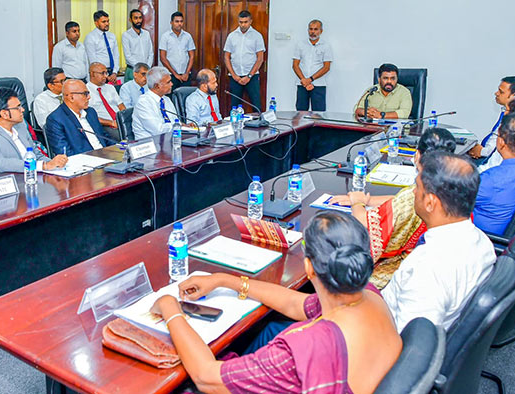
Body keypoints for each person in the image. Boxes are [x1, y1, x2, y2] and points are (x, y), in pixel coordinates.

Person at [151, 210, 402, 393]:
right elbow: (295, 304)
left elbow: (206, 377)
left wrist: (170, 308)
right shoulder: (368, 294)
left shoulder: (306, 347)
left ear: (308, 268)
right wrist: (226, 281)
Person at [328, 127, 457, 288]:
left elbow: (364, 229)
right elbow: (399, 200)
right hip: (425, 264)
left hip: (394, 272)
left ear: (417, 155)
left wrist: (357, 202)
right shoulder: (446, 186)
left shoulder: (418, 193)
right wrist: (368, 200)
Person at [382, 151, 496, 332]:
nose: (413, 191)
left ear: (430, 202)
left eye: (417, 186)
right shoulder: (482, 242)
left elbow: (410, 345)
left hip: (381, 334)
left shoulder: (427, 268)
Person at [473, 113, 515, 235]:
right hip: (504, 228)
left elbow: (454, 200)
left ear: (501, 142)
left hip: (481, 234)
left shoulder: (492, 179)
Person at [0, 88, 67, 175]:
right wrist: (43, 166)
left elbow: (37, 154)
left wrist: (54, 164)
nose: (22, 110)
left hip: (34, 177)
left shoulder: (21, 125)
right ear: (5, 114)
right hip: (8, 183)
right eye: (17, 107)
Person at [467, 76, 515, 160]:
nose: (496, 93)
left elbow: (497, 151)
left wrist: (480, 151)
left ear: (514, 96)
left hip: (487, 161)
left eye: (501, 92)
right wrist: (478, 147)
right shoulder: (506, 111)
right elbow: (494, 137)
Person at [45, 79, 109, 156]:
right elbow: (65, 153)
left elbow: (104, 137)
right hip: (86, 163)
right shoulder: (55, 119)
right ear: (71, 97)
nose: (89, 97)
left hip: (106, 156)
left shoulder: (91, 112)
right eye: (85, 94)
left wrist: (120, 148)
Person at [223, 10, 265, 111]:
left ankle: (259, 125)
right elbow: (226, 57)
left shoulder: (257, 36)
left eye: (245, 22)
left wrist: (249, 76)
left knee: (256, 105)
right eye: (241, 22)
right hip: (235, 77)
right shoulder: (232, 36)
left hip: (252, 77)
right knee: (234, 106)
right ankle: (235, 125)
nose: (243, 25)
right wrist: (234, 75)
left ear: (250, 21)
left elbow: (260, 58)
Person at [292, 19, 333, 111]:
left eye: (315, 29)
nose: (312, 32)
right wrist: (304, 80)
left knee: (319, 114)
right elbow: (295, 65)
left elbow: (326, 67)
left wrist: (310, 79)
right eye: (310, 29)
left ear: (321, 31)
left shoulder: (326, 46)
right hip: (302, 84)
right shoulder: (300, 44)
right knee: (300, 113)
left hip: (319, 84)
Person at [133, 66, 181, 140]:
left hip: (168, 141)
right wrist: (178, 125)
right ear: (157, 86)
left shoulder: (166, 99)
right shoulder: (143, 103)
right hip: (149, 145)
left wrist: (181, 126)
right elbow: (158, 130)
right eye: (168, 82)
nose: (171, 84)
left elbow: (175, 121)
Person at [87, 62, 126, 141]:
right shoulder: (85, 91)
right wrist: (111, 123)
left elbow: (121, 106)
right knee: (123, 137)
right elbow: (89, 116)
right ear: (92, 74)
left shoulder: (110, 88)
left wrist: (125, 119)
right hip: (104, 125)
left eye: (106, 73)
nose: (106, 76)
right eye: (102, 73)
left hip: (119, 121)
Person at [159, 12, 196, 91]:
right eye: (177, 21)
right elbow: (162, 58)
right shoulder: (165, 37)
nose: (179, 24)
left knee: (185, 99)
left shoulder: (188, 36)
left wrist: (186, 73)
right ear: (171, 22)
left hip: (186, 76)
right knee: (171, 99)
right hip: (170, 75)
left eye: (181, 21)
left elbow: (192, 56)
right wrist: (175, 74)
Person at [84, 11, 119, 83]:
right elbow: (93, 61)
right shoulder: (90, 37)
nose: (107, 24)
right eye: (103, 22)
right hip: (99, 75)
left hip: (112, 74)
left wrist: (115, 72)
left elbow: (116, 55)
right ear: (96, 23)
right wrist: (105, 75)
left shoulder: (112, 36)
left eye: (108, 21)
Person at [121, 9, 154, 83]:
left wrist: (147, 67)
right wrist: (140, 68)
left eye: (140, 18)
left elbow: (150, 53)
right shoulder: (126, 35)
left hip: (146, 71)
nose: (138, 20)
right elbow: (128, 56)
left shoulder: (146, 34)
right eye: (135, 18)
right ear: (130, 20)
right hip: (132, 70)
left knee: (145, 93)